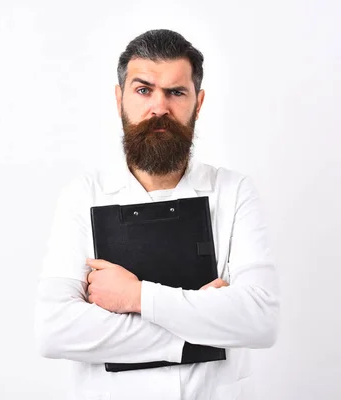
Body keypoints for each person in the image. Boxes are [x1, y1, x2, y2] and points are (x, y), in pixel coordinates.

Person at [34, 29, 280, 400]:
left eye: (176, 92)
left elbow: (260, 320)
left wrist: (136, 297)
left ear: (198, 102)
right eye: (144, 89)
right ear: (120, 99)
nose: (159, 108)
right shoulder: (81, 195)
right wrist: (205, 327)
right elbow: (55, 330)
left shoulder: (235, 191)